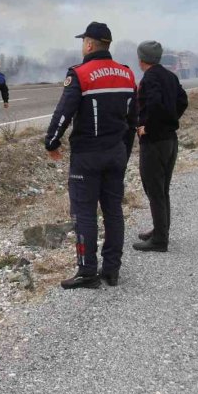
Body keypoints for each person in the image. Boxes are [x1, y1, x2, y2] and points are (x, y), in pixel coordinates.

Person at [45, 22, 137, 289]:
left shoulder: (80, 74)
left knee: (84, 213)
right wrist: (124, 152)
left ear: (89, 44)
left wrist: (51, 142)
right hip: (116, 153)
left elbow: (63, 113)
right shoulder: (127, 75)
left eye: (83, 40)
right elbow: (133, 120)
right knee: (113, 211)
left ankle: (87, 272)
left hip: (87, 156)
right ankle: (112, 271)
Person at [133, 40, 189, 253]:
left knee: (154, 189)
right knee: (162, 189)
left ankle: (159, 240)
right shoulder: (170, 76)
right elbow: (183, 101)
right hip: (170, 140)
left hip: (155, 142)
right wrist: (171, 120)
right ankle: (160, 230)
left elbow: (154, 104)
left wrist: (149, 127)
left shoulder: (150, 78)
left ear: (141, 59)